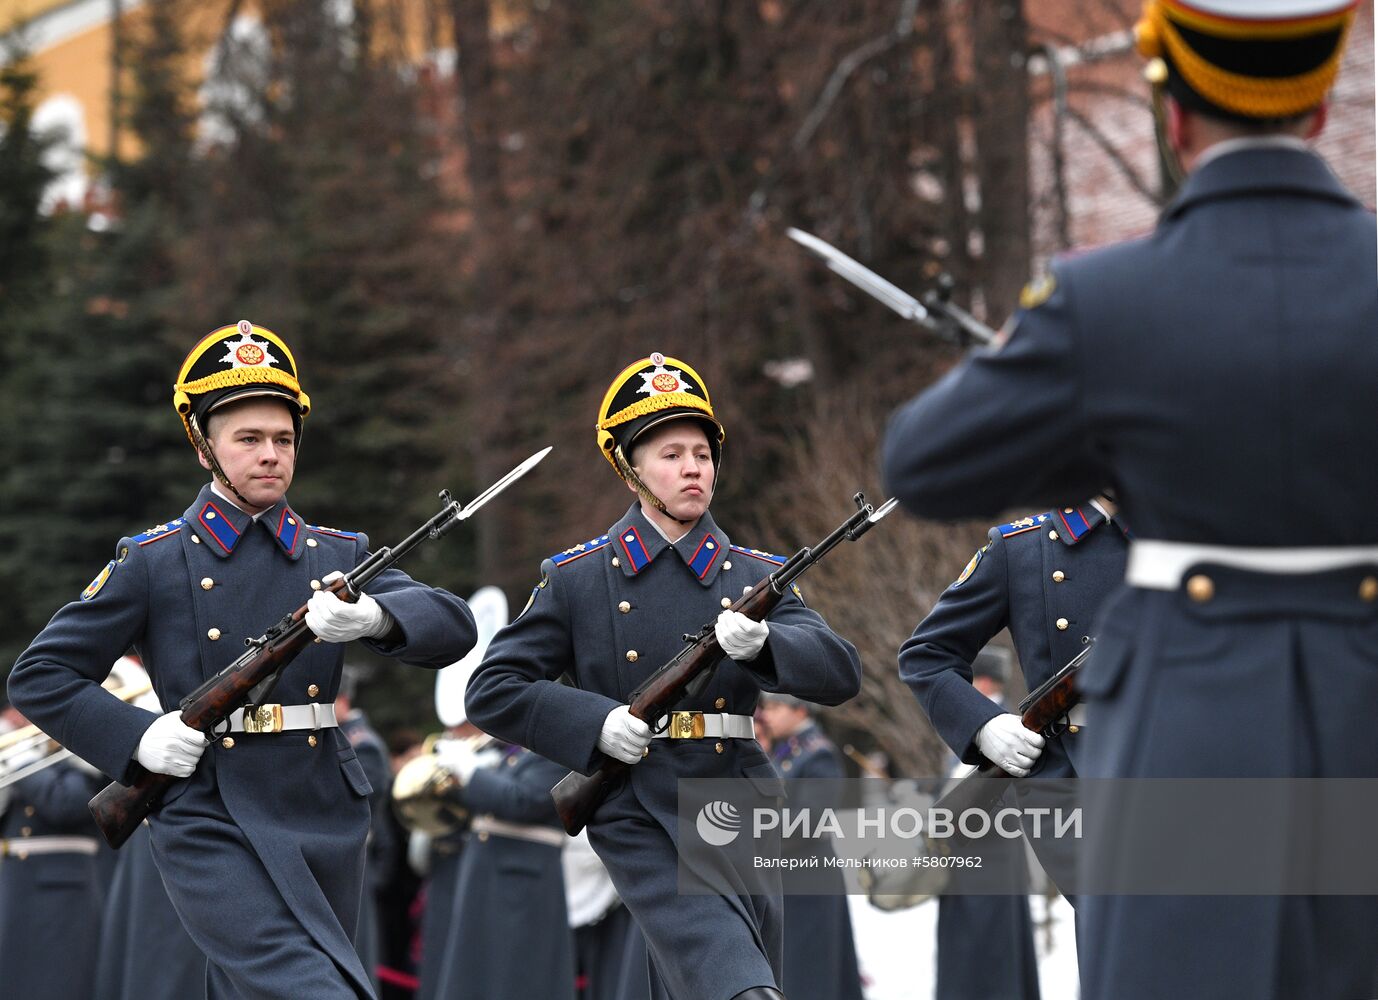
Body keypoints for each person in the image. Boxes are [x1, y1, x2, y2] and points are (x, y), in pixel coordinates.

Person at [880, 2, 1378, 997]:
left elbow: (923, 464)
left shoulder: (1108, 300)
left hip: (1185, 725)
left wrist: (1094, 431)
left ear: (1174, 113)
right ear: (1320, 105)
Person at [7, 320, 478, 999]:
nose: (270, 456)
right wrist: (138, 737)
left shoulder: (337, 554)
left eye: (283, 439)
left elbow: (454, 628)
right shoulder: (155, 559)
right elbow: (41, 675)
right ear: (204, 447)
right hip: (210, 811)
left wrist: (375, 616)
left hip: (321, 805)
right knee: (311, 987)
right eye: (248, 439)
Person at [465, 353, 863, 1000]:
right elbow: (493, 689)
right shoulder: (580, 577)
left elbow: (841, 671)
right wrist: (595, 724)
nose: (691, 468)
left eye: (702, 454)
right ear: (631, 470)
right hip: (640, 808)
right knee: (737, 981)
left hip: (741, 794)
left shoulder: (754, 574)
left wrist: (767, 646)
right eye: (670, 454)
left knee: (708, 976)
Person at [900, 498, 1129, 896]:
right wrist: (984, 724)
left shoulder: (1185, 538)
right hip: (1075, 781)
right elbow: (927, 655)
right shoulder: (1022, 547)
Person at [431, 743, 577, 1000]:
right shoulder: (515, 756)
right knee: (476, 975)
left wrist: (472, 771)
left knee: (515, 978)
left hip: (520, 883)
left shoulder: (560, 751)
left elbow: (521, 801)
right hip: (493, 877)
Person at [754, 693, 864, 1000]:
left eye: (775, 708)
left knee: (810, 968)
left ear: (799, 710)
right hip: (786, 876)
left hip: (808, 875)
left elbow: (810, 820)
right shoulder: (785, 751)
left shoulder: (818, 754)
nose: (768, 715)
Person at [0, 697, 107, 1000]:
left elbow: (66, 804)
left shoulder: (73, 749)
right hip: (15, 880)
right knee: (15, 978)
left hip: (62, 885)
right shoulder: (27, 748)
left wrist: (20, 759)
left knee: (57, 979)